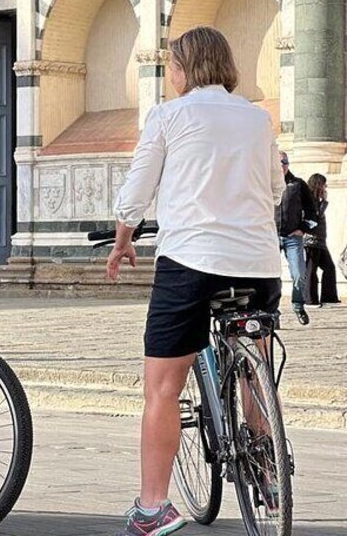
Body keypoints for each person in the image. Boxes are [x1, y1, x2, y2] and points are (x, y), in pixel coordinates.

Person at [107, 26, 284, 536]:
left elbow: (136, 195)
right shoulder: (257, 118)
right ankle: (270, 477)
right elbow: (274, 189)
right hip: (258, 264)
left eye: (172, 67)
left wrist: (122, 241)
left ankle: (153, 507)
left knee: (162, 388)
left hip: (191, 261)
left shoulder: (168, 115)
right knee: (256, 369)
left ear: (184, 69)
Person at [277, 151, 318, 325]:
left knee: (299, 273)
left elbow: (312, 211)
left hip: (292, 236)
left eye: (284, 162)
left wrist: (303, 228)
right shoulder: (263, 182)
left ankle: (298, 305)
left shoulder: (298, 184)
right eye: (278, 162)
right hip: (270, 236)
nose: (281, 166)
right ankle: (272, 312)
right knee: (270, 277)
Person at [304, 173, 341, 307]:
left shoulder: (316, 200)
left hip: (320, 242)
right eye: (324, 184)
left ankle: (329, 298)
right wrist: (324, 202)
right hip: (310, 241)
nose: (326, 188)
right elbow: (315, 218)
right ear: (319, 185)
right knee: (311, 271)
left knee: (329, 268)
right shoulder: (309, 200)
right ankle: (310, 300)